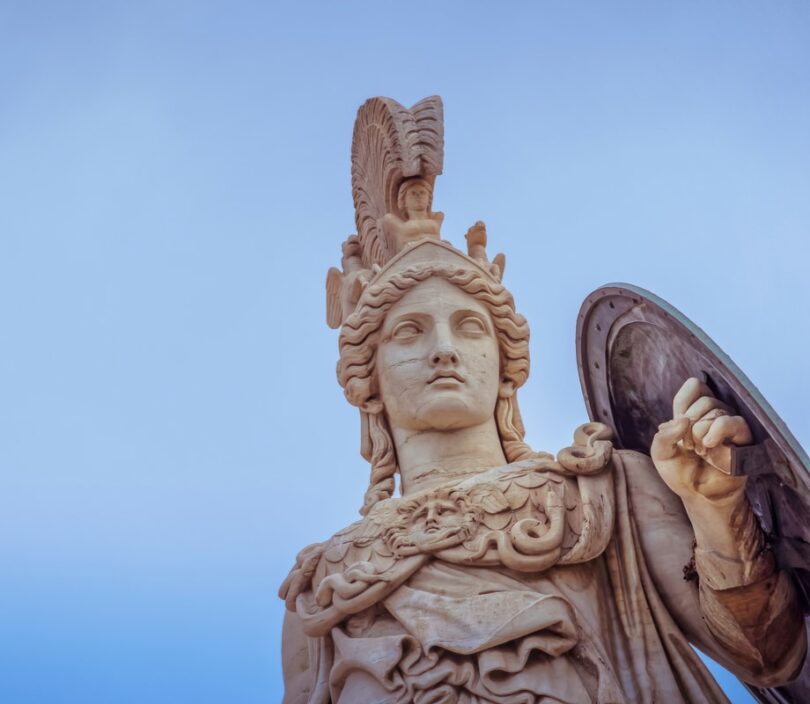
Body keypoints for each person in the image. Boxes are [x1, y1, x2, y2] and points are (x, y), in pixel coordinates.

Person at [280, 236, 804, 703]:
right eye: (408, 333)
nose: (443, 351)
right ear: (367, 380)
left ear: (505, 364)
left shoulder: (603, 491)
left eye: (469, 328)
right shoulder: (325, 585)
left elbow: (768, 655)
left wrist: (714, 509)